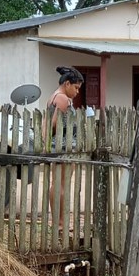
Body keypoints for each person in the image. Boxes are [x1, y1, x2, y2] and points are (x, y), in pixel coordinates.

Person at [46, 65, 84, 234]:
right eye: (76, 88)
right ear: (67, 84)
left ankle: (58, 221)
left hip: (58, 146)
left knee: (58, 184)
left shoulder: (53, 96)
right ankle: (60, 223)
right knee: (62, 185)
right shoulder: (63, 99)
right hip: (64, 147)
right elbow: (54, 123)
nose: (77, 92)